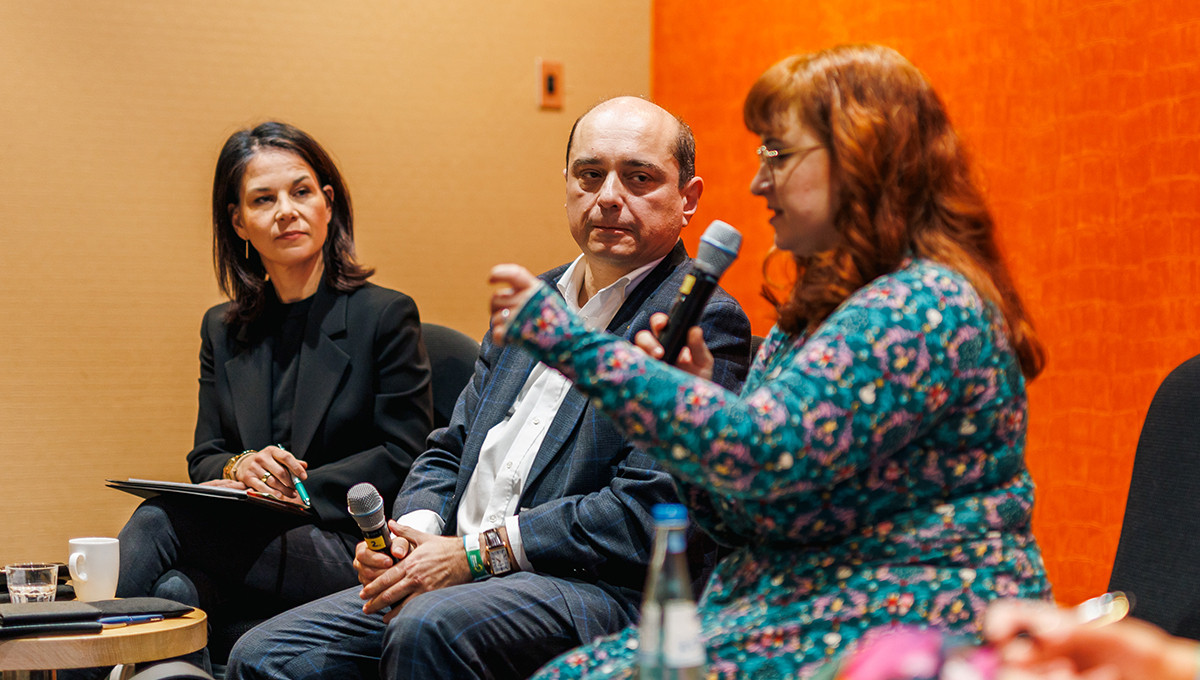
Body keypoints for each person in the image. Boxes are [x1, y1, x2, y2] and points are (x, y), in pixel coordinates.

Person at [488, 44, 1053, 679]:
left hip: (916, 614)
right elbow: (743, 515)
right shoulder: (814, 315)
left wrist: (572, 345)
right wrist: (696, 402)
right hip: (799, 598)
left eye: (779, 156)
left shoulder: (926, 305)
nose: (759, 181)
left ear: (860, 160)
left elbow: (765, 454)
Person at [225, 97, 752, 679]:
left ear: (689, 199)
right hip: (451, 566)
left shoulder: (696, 321)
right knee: (264, 656)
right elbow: (448, 448)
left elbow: (644, 510)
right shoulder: (536, 299)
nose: (608, 197)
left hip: (591, 592)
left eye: (639, 177)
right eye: (590, 175)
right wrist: (412, 539)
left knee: (428, 624)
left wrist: (475, 557)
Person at [115, 122, 434, 661]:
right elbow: (206, 456)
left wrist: (295, 490)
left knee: (159, 519)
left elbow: (405, 453)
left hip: (345, 545)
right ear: (239, 222)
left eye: (301, 191)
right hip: (251, 542)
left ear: (328, 204)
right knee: (174, 595)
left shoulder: (384, 315)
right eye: (264, 199)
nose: (286, 210)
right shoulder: (223, 327)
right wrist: (241, 465)